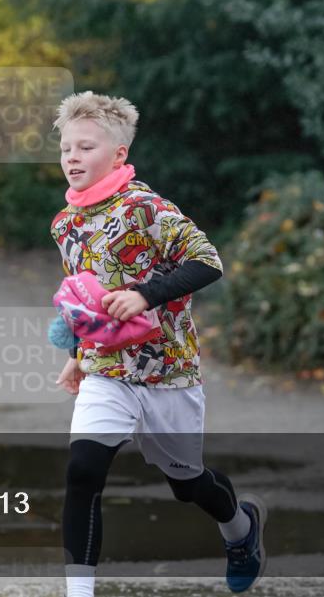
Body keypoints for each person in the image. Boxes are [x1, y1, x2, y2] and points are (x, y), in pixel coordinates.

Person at [48, 91, 268, 595]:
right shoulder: (65, 224)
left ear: (118, 155)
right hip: (107, 371)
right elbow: (83, 298)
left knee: (188, 484)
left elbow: (208, 261)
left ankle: (241, 528)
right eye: (66, 149)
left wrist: (145, 295)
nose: (72, 158)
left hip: (168, 373)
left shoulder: (147, 209)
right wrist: (77, 354)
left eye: (85, 148)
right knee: (83, 471)